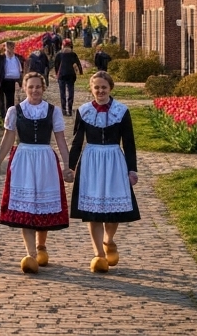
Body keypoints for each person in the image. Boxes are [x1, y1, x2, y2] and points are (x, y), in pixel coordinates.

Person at [0, 72, 72, 273]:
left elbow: (61, 141)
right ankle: (30, 254)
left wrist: (68, 166)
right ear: (24, 88)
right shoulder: (15, 111)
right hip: (23, 159)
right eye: (30, 87)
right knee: (27, 207)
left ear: (44, 88)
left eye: (38, 86)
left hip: (45, 160)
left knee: (42, 205)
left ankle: (41, 246)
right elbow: (7, 139)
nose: (35, 90)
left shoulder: (52, 111)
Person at [68, 71, 140, 273]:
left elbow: (129, 143)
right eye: (96, 87)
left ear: (110, 88)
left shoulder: (121, 111)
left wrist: (132, 169)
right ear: (91, 89)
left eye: (104, 87)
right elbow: (76, 141)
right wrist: (71, 167)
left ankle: (109, 240)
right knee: (93, 211)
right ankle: (99, 254)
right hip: (91, 161)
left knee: (113, 210)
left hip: (114, 161)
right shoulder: (83, 111)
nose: (100, 91)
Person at [0, 41, 26, 121]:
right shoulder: (0, 58)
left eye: (12, 47)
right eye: (8, 46)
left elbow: (24, 66)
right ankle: (4, 117)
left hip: (14, 81)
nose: (10, 48)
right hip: (3, 80)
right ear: (5, 47)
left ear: (14, 48)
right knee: (2, 100)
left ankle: (10, 116)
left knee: (11, 99)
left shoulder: (18, 58)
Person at [53, 38, 84, 115]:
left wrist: (57, 73)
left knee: (62, 92)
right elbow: (78, 63)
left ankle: (63, 110)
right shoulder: (73, 54)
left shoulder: (59, 54)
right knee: (71, 91)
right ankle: (69, 109)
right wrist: (80, 72)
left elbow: (56, 65)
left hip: (61, 74)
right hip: (71, 74)